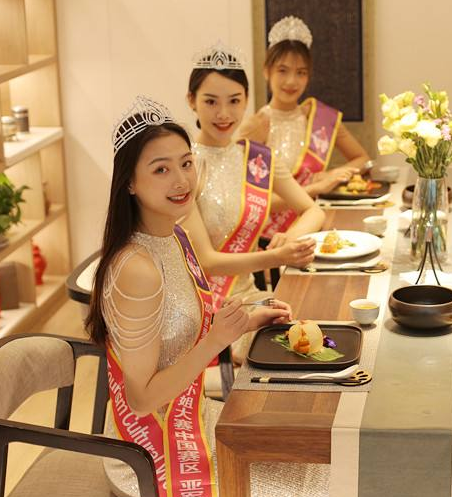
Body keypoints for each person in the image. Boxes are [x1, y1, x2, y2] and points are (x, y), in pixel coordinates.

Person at [85, 96, 329, 497]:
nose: (181, 180)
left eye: (186, 163)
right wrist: (218, 340)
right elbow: (141, 400)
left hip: (195, 419)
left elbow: (177, 330)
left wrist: (246, 321)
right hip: (150, 455)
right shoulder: (137, 268)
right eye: (161, 169)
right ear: (129, 182)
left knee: (318, 460)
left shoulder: (176, 236)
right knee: (314, 482)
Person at [184, 40, 324, 312]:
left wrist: (291, 237)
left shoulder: (256, 159)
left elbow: (313, 211)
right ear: (191, 100)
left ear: (247, 100)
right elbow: (207, 261)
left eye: (234, 101)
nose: (224, 113)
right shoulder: (183, 165)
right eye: (210, 101)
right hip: (202, 305)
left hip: (248, 296)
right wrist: (276, 257)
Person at [239, 16, 371, 238]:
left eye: (301, 72)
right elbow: (250, 202)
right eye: (283, 70)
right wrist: (314, 188)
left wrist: (332, 173)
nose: (291, 81)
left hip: (314, 228)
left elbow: (363, 159)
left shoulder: (319, 118)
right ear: (266, 71)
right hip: (269, 238)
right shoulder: (255, 126)